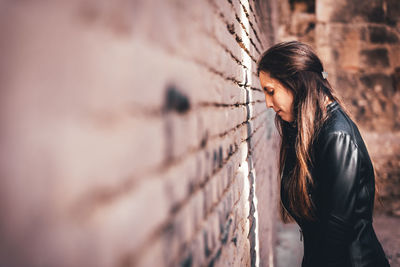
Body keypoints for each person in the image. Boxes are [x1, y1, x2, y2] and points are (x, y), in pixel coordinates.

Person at [257, 41, 390, 267]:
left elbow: (336, 233)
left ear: (296, 83)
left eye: (271, 91)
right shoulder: (307, 130)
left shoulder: (336, 136)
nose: (269, 104)